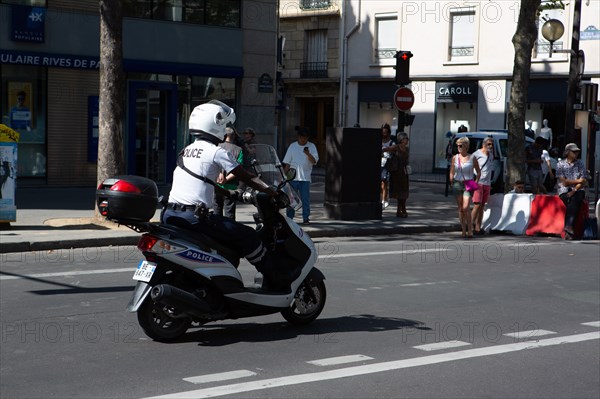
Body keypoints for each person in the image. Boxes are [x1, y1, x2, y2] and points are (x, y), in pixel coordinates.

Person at [162, 100, 289, 290]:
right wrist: (273, 192)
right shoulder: (216, 152)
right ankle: (274, 277)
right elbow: (248, 177)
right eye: (225, 125)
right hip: (196, 218)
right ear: (216, 125)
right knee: (248, 236)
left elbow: (205, 182)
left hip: (170, 214)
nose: (227, 128)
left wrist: (232, 194)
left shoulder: (185, 151)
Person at [282, 127, 319, 224]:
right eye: (302, 137)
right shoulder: (292, 146)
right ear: (298, 137)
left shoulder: (312, 146)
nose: (303, 140)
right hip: (292, 177)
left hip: (305, 178)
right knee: (292, 200)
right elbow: (287, 163)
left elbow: (314, 161)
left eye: (306, 138)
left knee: (305, 199)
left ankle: (305, 218)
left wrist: (308, 154)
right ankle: (290, 219)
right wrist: (283, 177)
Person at [449, 136, 481, 238]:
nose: (458, 147)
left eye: (461, 145)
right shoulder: (455, 157)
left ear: (466, 146)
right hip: (457, 183)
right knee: (461, 209)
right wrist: (451, 180)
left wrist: (476, 182)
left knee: (466, 207)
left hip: (469, 183)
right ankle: (463, 230)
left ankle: (470, 229)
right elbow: (452, 171)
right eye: (457, 145)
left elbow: (478, 172)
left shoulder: (472, 157)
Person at [556, 143, 588, 240]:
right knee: (572, 203)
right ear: (568, 152)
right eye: (574, 151)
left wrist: (573, 190)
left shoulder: (580, 163)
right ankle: (569, 229)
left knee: (574, 200)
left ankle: (568, 228)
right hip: (564, 190)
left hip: (577, 190)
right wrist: (578, 180)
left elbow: (583, 181)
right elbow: (564, 182)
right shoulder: (560, 164)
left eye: (577, 151)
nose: (576, 153)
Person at [214, 127, 243, 220]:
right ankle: (229, 232)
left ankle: (216, 231)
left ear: (224, 135)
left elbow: (212, 164)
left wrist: (219, 175)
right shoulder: (238, 150)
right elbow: (238, 170)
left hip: (217, 185)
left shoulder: (216, 147)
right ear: (233, 136)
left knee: (216, 210)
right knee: (229, 213)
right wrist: (226, 179)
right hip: (231, 187)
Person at [471, 137, 494, 235]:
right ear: (483, 144)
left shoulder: (491, 155)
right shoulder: (477, 154)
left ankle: (478, 227)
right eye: (489, 144)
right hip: (478, 182)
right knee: (477, 205)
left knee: (482, 206)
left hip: (487, 184)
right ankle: (469, 225)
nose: (491, 146)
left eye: (492, 144)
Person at [390, 133, 410, 217]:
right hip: (397, 172)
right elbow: (386, 149)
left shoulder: (407, 149)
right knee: (399, 192)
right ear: (401, 139)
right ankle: (402, 209)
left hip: (404, 172)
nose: (407, 140)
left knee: (404, 191)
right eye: (406, 139)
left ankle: (400, 209)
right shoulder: (396, 147)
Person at [380, 123, 396, 209]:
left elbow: (394, 147)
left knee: (384, 183)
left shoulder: (391, 142)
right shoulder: (379, 140)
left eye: (385, 132)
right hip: (379, 164)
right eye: (382, 132)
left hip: (386, 164)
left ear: (389, 133)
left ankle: (384, 200)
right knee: (380, 184)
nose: (383, 134)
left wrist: (385, 149)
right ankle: (382, 199)